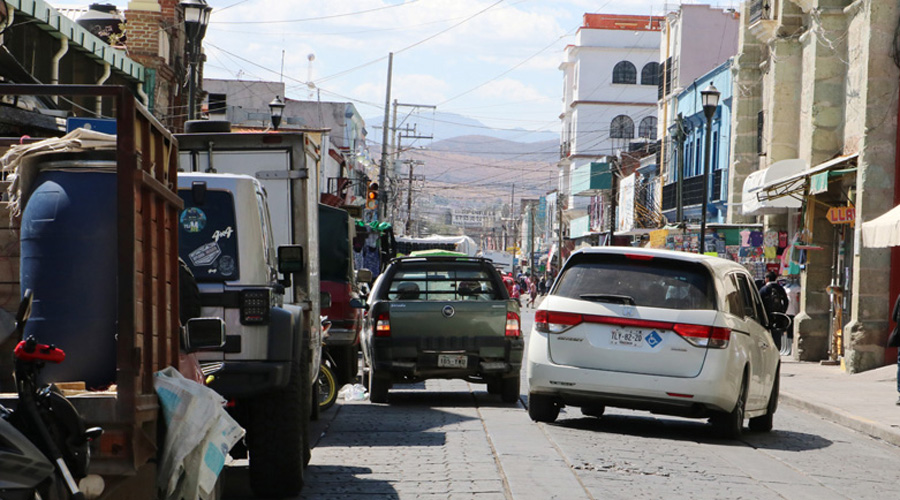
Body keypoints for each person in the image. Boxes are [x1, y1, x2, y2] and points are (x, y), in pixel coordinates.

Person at [759, 271, 789, 350]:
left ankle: (767, 349)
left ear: (767, 279)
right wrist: (783, 312)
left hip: (766, 315)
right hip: (778, 315)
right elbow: (786, 301)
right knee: (777, 333)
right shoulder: (780, 288)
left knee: (765, 333)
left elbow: (758, 302)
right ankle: (777, 350)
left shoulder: (764, 289)